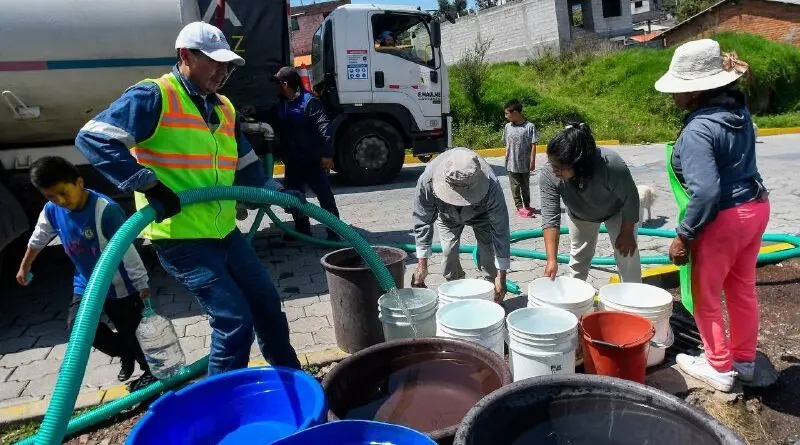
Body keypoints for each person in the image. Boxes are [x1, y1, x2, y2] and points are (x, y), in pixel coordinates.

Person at [74, 21, 302, 376]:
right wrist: (149, 186)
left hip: (224, 232)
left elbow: (246, 168)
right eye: (214, 61)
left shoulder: (224, 108)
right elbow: (93, 137)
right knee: (234, 319)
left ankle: (294, 381)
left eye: (227, 64)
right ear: (185, 56)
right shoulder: (154, 96)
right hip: (181, 237)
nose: (223, 71)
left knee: (267, 306)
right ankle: (224, 408)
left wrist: (277, 192)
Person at [656, 39, 769, 392]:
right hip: (756, 207)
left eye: (678, 90)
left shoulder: (698, 130)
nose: (673, 97)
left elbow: (705, 192)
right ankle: (744, 361)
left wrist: (684, 235)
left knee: (705, 296)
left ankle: (718, 366)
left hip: (723, 220)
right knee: (741, 289)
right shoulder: (737, 111)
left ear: (694, 93)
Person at [16, 157, 155, 390]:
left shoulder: (105, 210)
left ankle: (151, 373)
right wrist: (25, 265)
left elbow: (128, 250)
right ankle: (125, 352)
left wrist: (142, 284)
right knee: (79, 329)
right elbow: (39, 236)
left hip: (119, 284)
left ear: (79, 182)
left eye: (63, 193)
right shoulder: (52, 209)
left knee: (131, 330)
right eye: (51, 196)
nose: (60, 201)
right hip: (85, 283)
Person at [540, 123, 641, 283]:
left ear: (578, 164)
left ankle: (633, 299)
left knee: (626, 255)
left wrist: (627, 232)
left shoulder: (610, 164)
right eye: (552, 164)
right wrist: (551, 260)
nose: (554, 170)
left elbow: (631, 197)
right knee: (579, 257)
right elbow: (550, 217)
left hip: (617, 210)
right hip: (580, 213)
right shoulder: (549, 174)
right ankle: (576, 298)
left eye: (559, 167)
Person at [411, 147, 510, 303]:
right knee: (448, 253)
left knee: (487, 255)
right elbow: (422, 219)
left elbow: (501, 230)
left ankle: (491, 293)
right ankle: (456, 291)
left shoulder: (491, 185)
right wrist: (421, 265)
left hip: (482, 215)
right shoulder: (428, 180)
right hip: (447, 216)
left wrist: (501, 276)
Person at [267, 66, 341, 241]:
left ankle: (334, 233)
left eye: (278, 83)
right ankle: (302, 229)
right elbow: (271, 117)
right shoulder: (282, 104)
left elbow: (325, 127)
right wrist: (255, 112)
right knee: (294, 197)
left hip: (312, 160)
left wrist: (327, 154)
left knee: (325, 197)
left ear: (285, 84)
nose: (276, 87)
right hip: (292, 161)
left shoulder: (309, 102)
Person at [503, 99, 538, 218]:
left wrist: (532, 161)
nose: (505, 116)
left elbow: (533, 145)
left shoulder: (529, 127)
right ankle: (519, 207)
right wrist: (506, 159)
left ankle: (527, 206)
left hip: (524, 164)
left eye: (507, 113)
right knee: (515, 186)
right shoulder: (507, 127)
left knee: (525, 186)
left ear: (516, 113)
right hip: (511, 163)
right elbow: (507, 144)